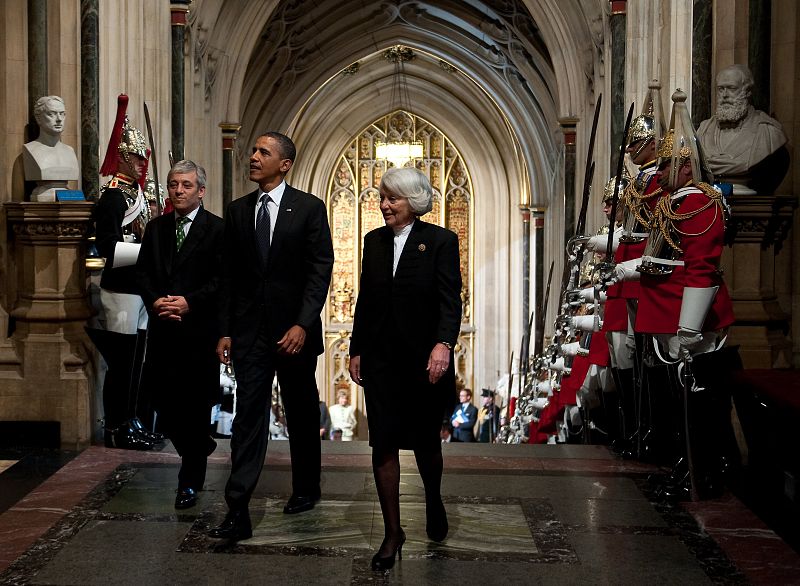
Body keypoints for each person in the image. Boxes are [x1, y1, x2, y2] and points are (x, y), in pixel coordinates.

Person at [209, 132, 334, 541]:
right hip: (250, 334)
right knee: (248, 417)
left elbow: (319, 272)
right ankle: (238, 509)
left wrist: (301, 323)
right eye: (253, 150)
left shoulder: (309, 209)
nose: (253, 156)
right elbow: (228, 276)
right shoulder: (239, 211)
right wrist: (225, 329)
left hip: (294, 332)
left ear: (285, 164)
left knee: (300, 414)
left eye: (264, 152)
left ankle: (306, 488)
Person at [349, 166, 462, 571]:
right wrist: (356, 348)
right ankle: (393, 531)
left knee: (427, 444)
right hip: (381, 360)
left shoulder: (440, 241)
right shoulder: (373, 242)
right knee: (382, 443)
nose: (384, 205)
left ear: (413, 202)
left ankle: (433, 496)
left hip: (424, 361)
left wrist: (443, 345)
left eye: (392, 198)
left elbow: (451, 299)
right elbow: (366, 299)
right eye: (381, 197)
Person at [136, 160, 224, 509]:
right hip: (163, 330)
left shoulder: (217, 230)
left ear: (200, 190)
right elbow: (142, 273)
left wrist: (190, 303)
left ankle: (189, 481)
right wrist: (156, 299)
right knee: (165, 407)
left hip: (198, 333)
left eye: (186, 185)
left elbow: (222, 281)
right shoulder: (156, 229)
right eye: (174, 184)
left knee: (195, 408)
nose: (179, 191)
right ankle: (200, 444)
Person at [90, 94, 159, 450]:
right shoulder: (115, 197)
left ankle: (133, 418)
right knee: (122, 362)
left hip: (139, 288)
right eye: (135, 156)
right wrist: (150, 252)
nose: (141, 161)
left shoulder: (140, 195)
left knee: (138, 361)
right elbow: (110, 246)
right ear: (121, 156)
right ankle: (117, 425)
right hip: (120, 287)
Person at [697, 64, 788, 194]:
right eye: (720, 89)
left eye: (731, 88)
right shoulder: (704, 129)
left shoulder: (768, 130)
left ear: (748, 92)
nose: (724, 95)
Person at [22, 95, 80, 200]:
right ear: (38, 118)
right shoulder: (30, 150)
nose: (59, 119)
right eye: (51, 114)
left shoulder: (69, 151)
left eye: (62, 114)